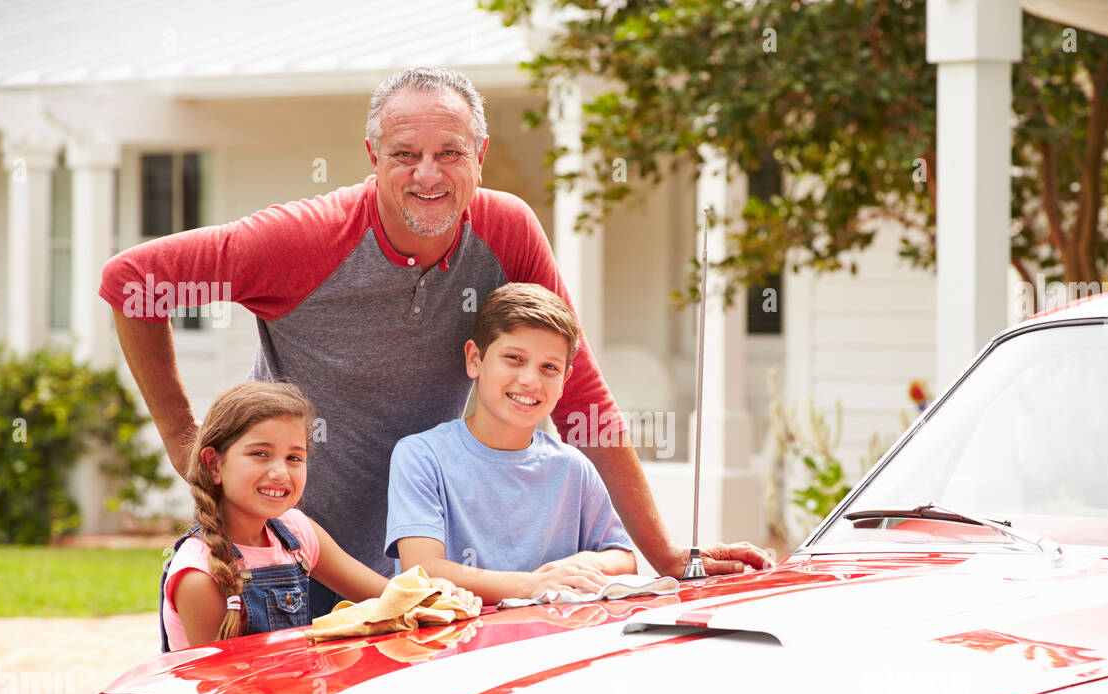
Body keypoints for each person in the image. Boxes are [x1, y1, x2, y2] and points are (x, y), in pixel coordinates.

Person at [103, 67, 772, 616]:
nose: (429, 174)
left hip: (424, 576)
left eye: (449, 152)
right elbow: (131, 282)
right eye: (406, 155)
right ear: (374, 158)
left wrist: (665, 555)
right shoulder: (304, 239)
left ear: (478, 156)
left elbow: (583, 395)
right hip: (290, 552)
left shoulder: (505, 229)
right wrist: (182, 436)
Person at [161, 381, 475, 650]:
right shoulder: (200, 576)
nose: (280, 472)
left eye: (294, 457)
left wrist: (435, 594)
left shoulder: (296, 532)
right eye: (260, 454)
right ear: (214, 464)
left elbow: (388, 597)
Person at [387, 284, 637, 604]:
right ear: (475, 359)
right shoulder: (421, 457)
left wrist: (587, 564)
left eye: (549, 367)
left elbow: (624, 558)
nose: (531, 380)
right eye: (514, 358)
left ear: (564, 382)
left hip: (553, 642)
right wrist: (533, 584)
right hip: (454, 646)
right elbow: (422, 569)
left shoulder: (573, 468)